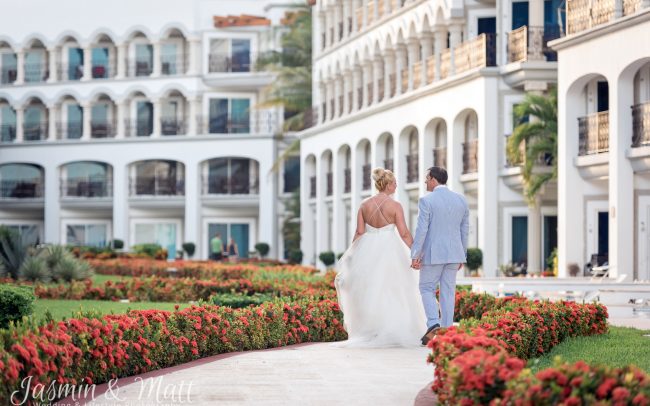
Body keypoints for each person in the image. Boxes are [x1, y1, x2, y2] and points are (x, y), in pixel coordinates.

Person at [333, 168, 426, 347]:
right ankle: (391, 329)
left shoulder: (364, 205)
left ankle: (372, 329)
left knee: (370, 290)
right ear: (388, 185)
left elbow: (359, 232)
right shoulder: (396, 206)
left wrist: (353, 255)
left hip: (367, 249)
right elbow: (405, 233)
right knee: (394, 289)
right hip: (391, 249)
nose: (397, 185)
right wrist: (416, 253)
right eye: (394, 182)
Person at [411, 167, 469, 346]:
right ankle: (447, 332)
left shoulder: (426, 201)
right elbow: (464, 229)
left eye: (426, 178)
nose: (425, 182)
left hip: (433, 254)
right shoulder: (461, 200)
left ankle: (433, 323)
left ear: (434, 179)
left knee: (426, 288)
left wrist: (415, 254)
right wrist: (462, 254)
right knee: (448, 291)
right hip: (455, 254)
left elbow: (422, 230)